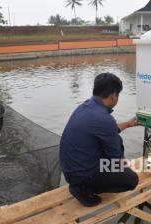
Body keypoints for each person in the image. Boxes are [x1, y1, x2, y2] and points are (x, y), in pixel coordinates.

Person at [60, 73, 139, 207]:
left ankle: (81, 184)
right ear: (113, 95)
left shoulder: (86, 107)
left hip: (71, 170)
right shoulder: (104, 119)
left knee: (113, 137)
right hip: (82, 175)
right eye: (118, 96)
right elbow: (116, 160)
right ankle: (84, 188)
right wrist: (125, 169)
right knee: (132, 180)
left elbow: (107, 129)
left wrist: (128, 124)